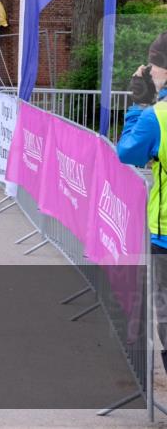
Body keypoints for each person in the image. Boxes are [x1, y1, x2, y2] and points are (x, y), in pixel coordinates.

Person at [116, 31, 167, 372]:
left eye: (154, 64)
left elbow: (127, 152)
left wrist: (139, 105)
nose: (149, 70)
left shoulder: (157, 117)